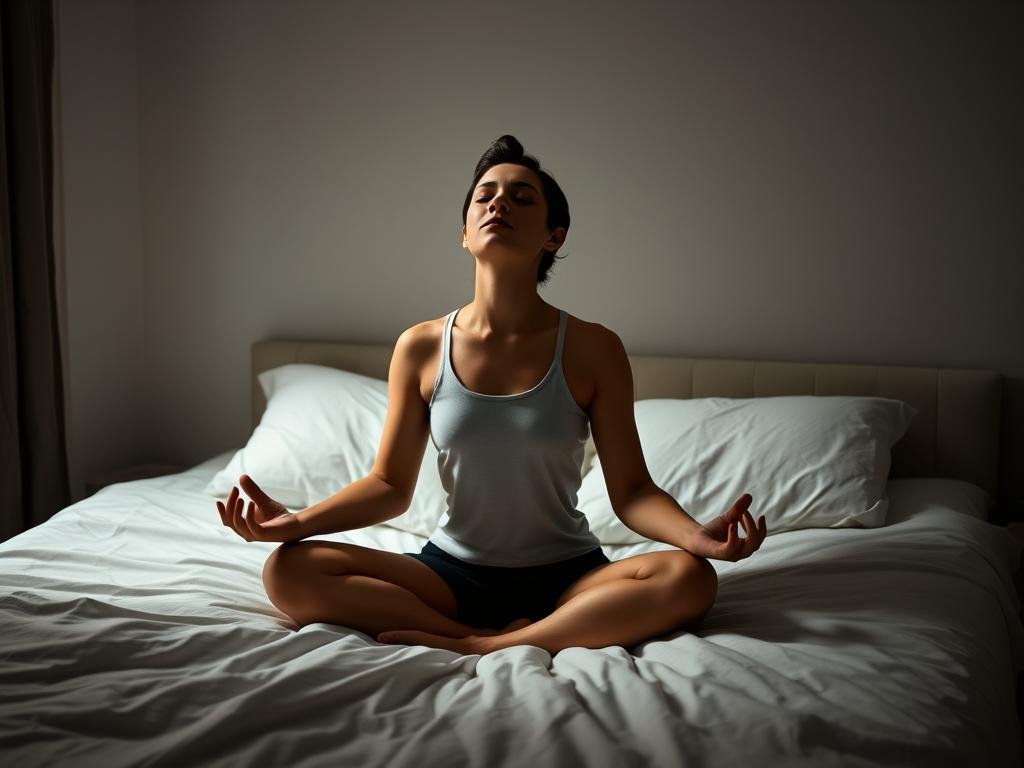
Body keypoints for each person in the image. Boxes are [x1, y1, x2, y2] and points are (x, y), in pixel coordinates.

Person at [216, 134, 767, 656]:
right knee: (287, 570)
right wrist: (295, 524)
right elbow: (388, 487)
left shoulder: (594, 348)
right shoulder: (421, 345)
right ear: (464, 231)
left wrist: (697, 537)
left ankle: (484, 645)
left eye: (521, 198)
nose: (498, 204)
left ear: (555, 235)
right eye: (486, 195)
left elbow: (631, 492)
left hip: (569, 574)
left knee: (691, 578)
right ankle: (461, 631)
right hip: (451, 573)